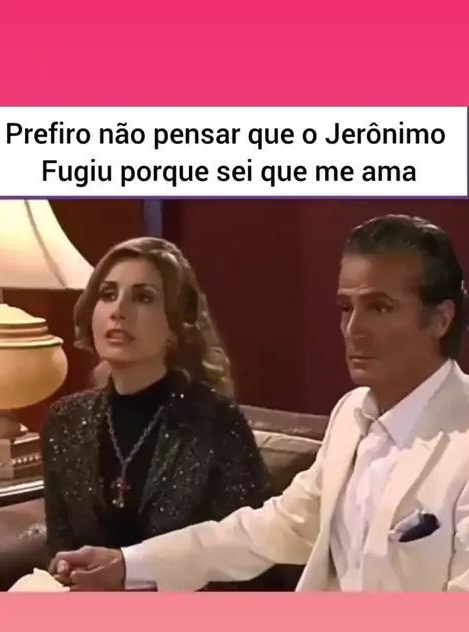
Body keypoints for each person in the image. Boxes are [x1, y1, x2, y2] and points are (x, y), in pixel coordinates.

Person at [25, 214, 469, 592]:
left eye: (380, 308)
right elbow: (279, 526)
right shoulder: (352, 415)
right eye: (345, 308)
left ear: (440, 318)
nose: (354, 330)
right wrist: (128, 564)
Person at [28, 235, 293, 591]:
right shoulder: (66, 420)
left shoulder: (215, 423)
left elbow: (252, 570)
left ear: (175, 326)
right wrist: (67, 573)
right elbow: (61, 549)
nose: (118, 310)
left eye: (143, 297)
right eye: (108, 294)